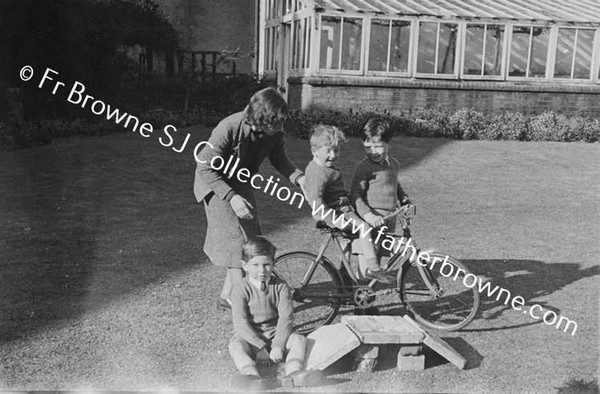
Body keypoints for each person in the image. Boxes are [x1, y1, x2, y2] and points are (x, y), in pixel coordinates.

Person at [193, 87, 306, 309]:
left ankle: (227, 297)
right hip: (215, 184)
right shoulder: (229, 127)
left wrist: (299, 178)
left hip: (239, 182)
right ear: (259, 119)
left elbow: (279, 158)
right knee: (237, 245)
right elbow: (204, 167)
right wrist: (232, 197)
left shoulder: (274, 131)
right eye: (276, 124)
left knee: (251, 241)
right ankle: (245, 305)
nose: (280, 128)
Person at [228, 237, 323, 390]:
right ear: (244, 266)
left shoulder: (281, 286)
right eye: (255, 265)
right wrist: (260, 348)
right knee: (235, 346)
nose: (262, 271)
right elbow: (240, 323)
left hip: (276, 334)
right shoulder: (240, 289)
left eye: (266, 265)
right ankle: (251, 376)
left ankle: (294, 373)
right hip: (251, 337)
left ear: (273, 264)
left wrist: (278, 345)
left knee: (299, 339)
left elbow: (286, 317)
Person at [304, 125, 393, 283]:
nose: (333, 155)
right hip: (338, 212)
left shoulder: (323, 167)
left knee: (346, 244)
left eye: (336, 150)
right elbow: (315, 202)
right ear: (314, 151)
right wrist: (335, 220)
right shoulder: (318, 172)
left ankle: (343, 283)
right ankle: (374, 268)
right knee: (364, 228)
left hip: (342, 210)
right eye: (328, 151)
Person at [350, 118, 412, 275]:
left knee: (377, 261)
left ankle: (365, 295)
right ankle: (354, 287)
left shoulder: (394, 164)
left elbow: (395, 185)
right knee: (367, 269)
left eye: (377, 146)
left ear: (388, 143)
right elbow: (355, 195)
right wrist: (368, 215)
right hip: (371, 223)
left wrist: (404, 199)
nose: (372, 151)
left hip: (389, 220)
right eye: (368, 147)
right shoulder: (364, 167)